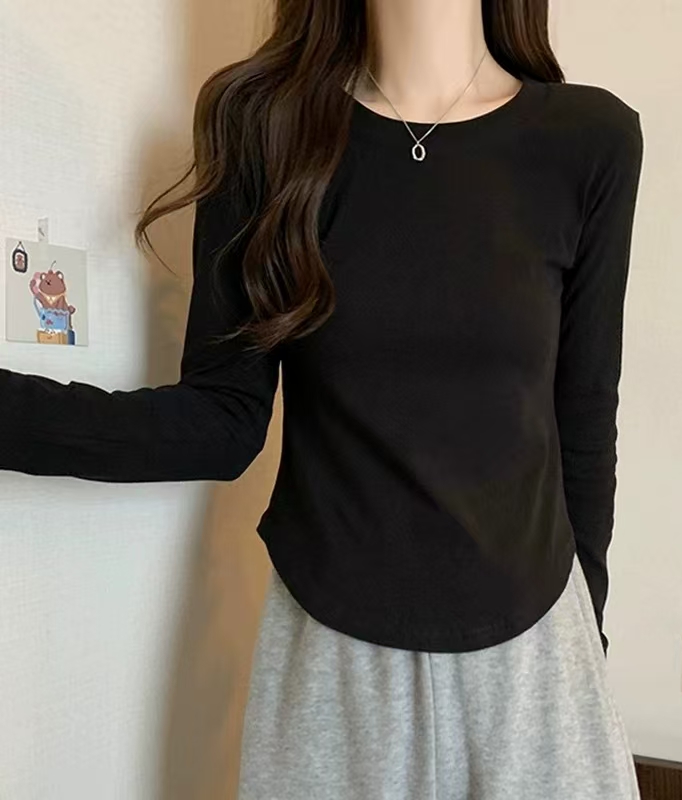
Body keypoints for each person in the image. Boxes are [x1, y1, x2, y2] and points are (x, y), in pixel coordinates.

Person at [0, 1, 645, 797]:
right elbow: (220, 421)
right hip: (334, 659)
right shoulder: (263, 127)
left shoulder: (591, 140)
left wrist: (587, 644)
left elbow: (585, 419)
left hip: (538, 657)